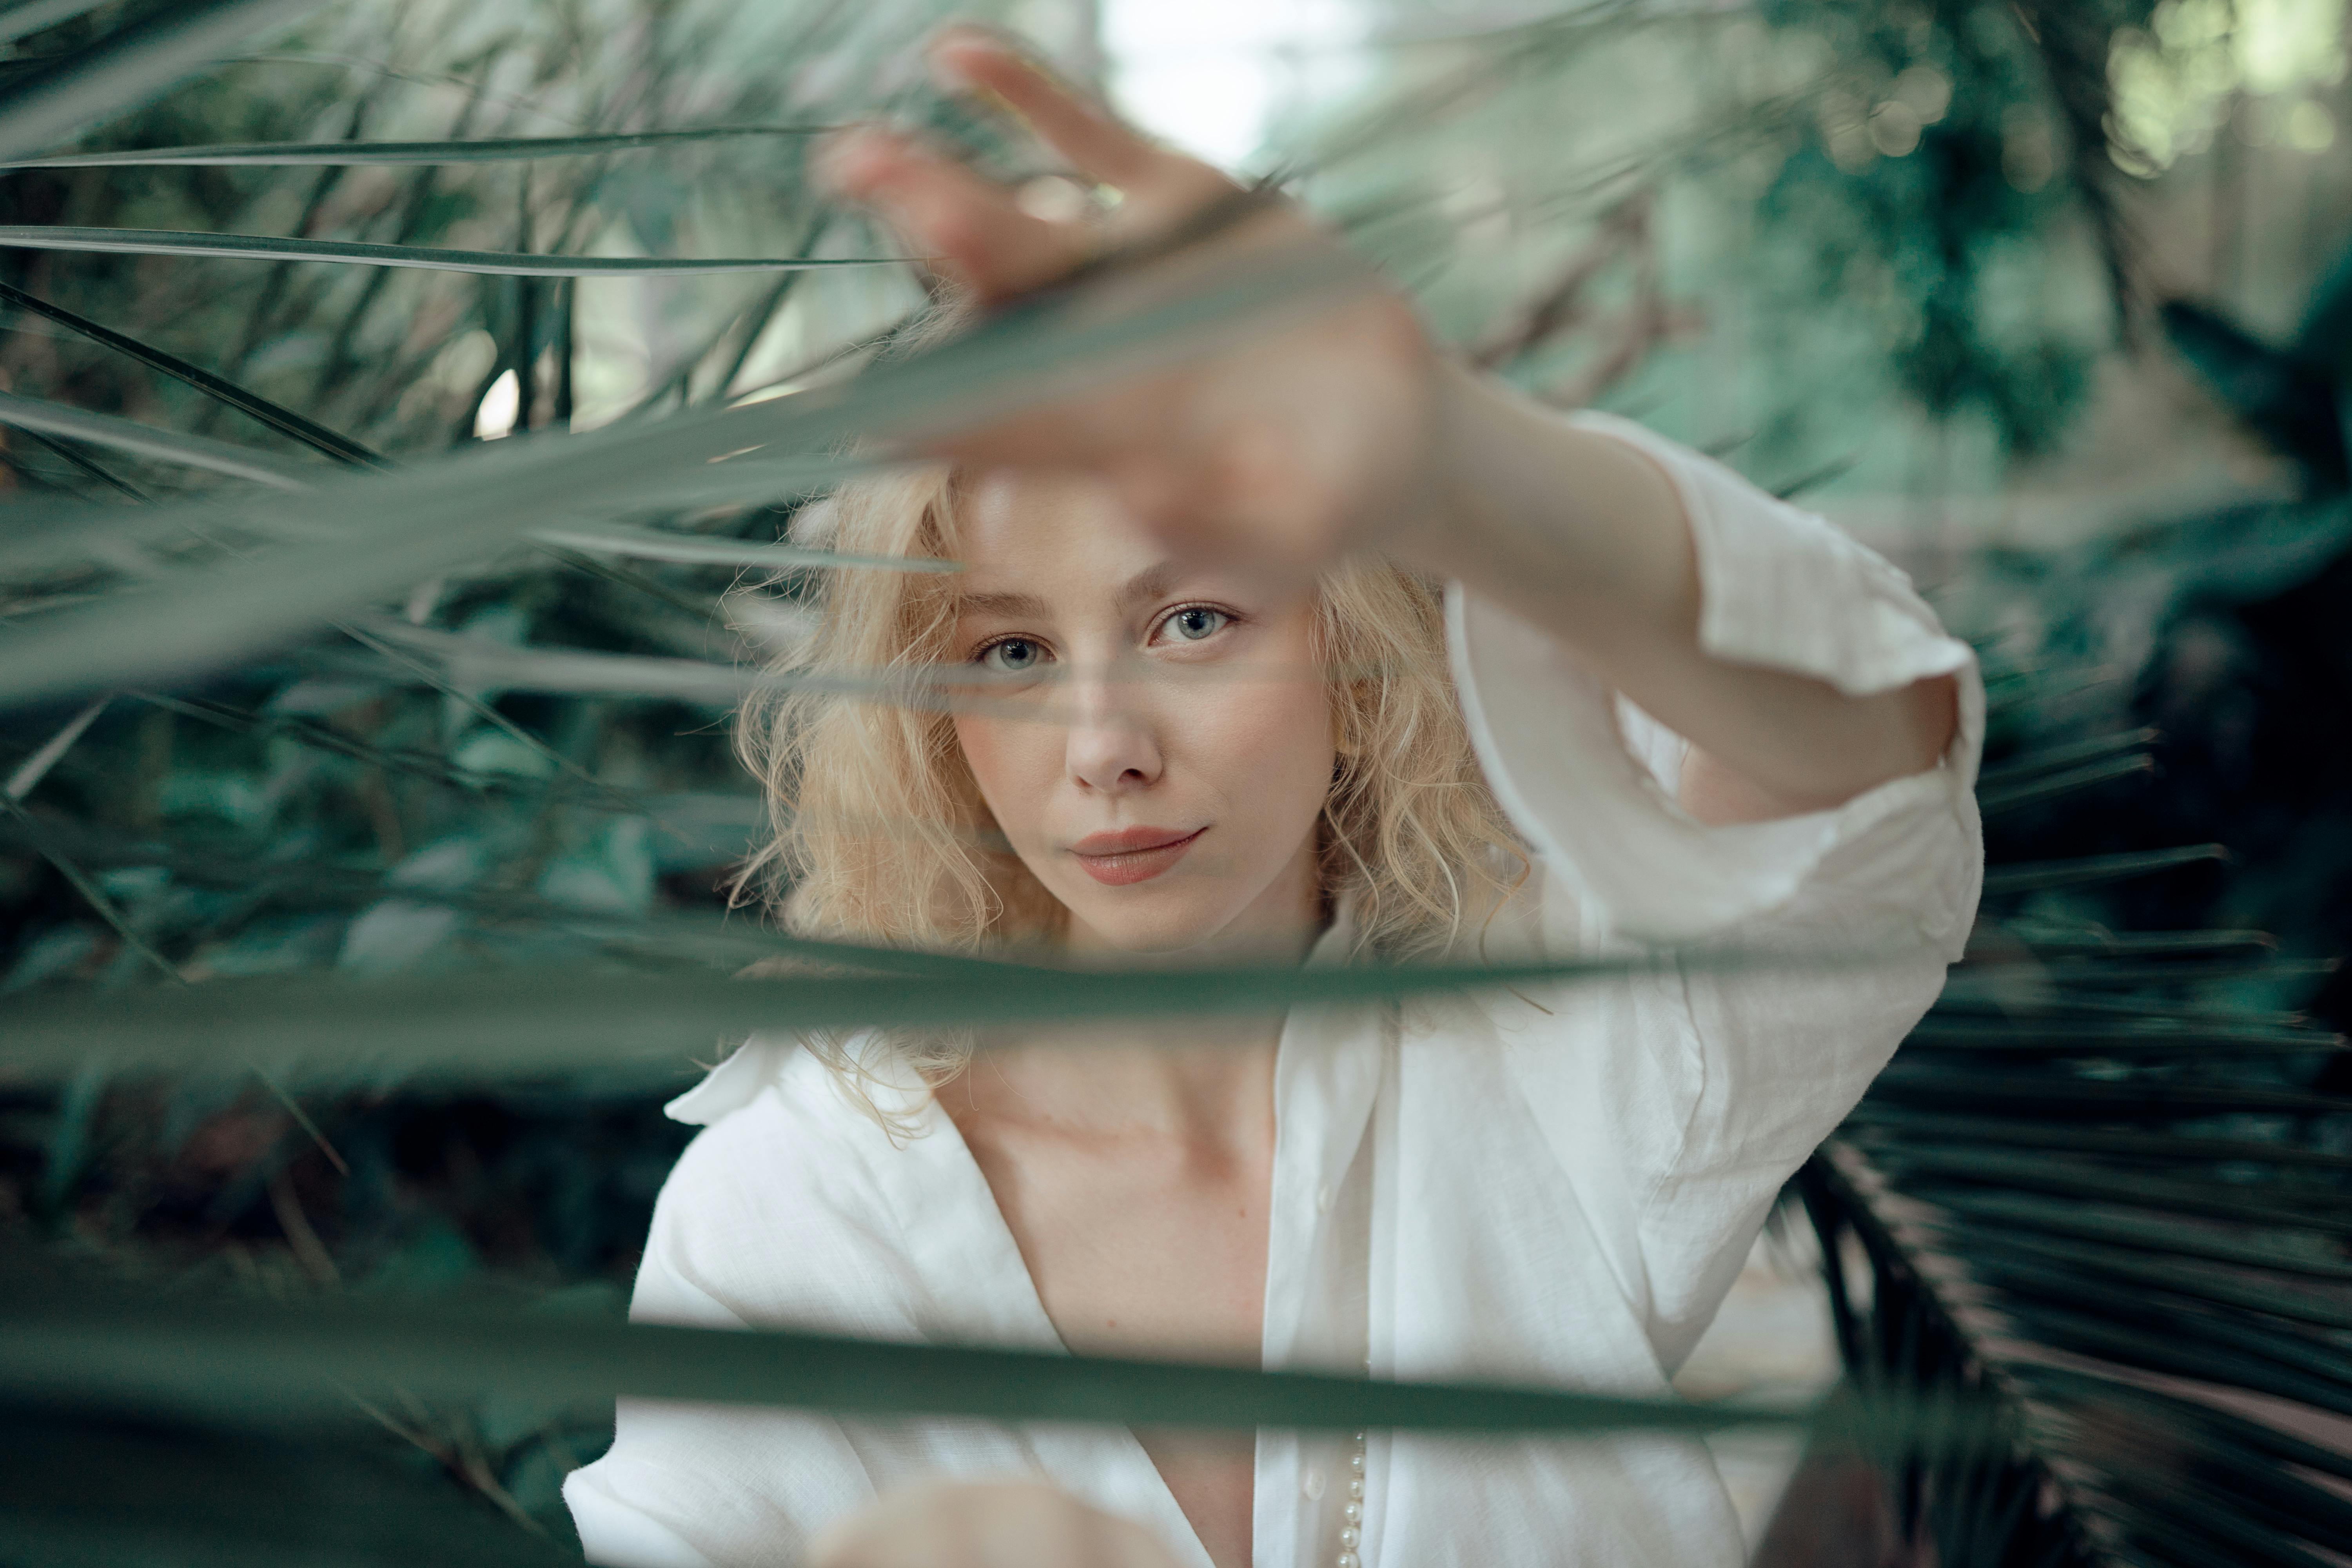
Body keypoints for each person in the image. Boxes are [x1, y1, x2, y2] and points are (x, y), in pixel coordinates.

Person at [563, 25, 1981, 1568]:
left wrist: (1456, 462)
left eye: (1193, 620)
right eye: (1014, 648)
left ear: (1350, 636)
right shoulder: (794, 1218)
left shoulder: (1541, 1058)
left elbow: (1869, 758)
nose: (1105, 743)